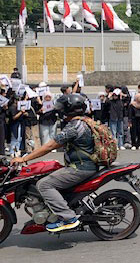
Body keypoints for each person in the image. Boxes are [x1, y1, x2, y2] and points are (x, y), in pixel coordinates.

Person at [11, 94, 97, 233]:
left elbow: (49, 146)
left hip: (80, 168)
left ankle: (68, 218)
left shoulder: (73, 128)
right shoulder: (85, 121)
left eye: (63, 108)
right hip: (83, 165)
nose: (60, 110)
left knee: (44, 185)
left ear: (69, 110)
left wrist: (24, 159)